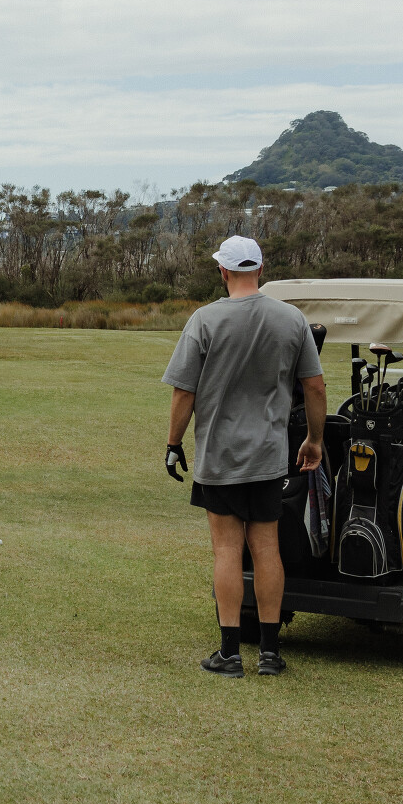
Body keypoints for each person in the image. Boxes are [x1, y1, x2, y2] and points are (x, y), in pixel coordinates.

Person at [162, 236, 324, 677]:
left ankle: (230, 652)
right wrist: (314, 440)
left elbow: (184, 391)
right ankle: (270, 652)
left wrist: (174, 444)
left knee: (227, 550)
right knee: (267, 548)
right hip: (269, 456)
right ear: (260, 269)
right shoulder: (292, 319)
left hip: (220, 456)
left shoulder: (205, 319)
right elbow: (314, 385)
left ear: (223, 271)